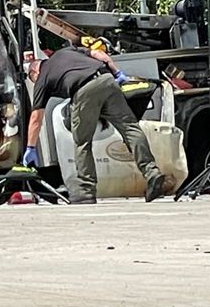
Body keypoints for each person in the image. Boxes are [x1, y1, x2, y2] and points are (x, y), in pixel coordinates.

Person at [24, 45, 167, 204]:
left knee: (82, 141)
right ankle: (152, 173)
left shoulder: (42, 77)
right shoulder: (66, 51)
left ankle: (86, 191)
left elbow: (36, 118)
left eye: (33, 79)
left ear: (34, 71)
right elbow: (100, 54)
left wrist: (30, 148)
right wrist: (117, 73)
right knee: (130, 127)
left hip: (84, 90)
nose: (35, 82)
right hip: (106, 79)